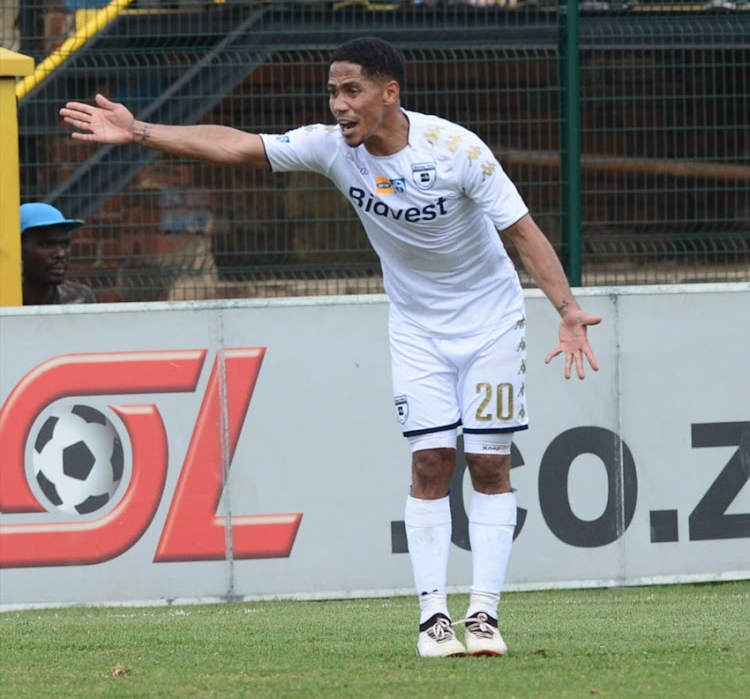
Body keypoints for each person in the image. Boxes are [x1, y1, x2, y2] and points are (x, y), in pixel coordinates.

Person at [60, 36, 600, 658]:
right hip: (417, 330)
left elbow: (524, 233)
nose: (338, 105)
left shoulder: (456, 151)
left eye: (352, 91)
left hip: (492, 324)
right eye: (332, 92)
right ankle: (433, 622)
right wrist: (141, 132)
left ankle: (484, 615)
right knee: (430, 464)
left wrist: (566, 312)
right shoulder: (328, 148)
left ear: (388, 93)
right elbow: (238, 145)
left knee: (488, 464)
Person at [20, 202, 96, 306]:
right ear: (18, 248)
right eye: (47, 245)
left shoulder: (79, 298)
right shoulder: (4, 300)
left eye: (65, 244)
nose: (60, 254)